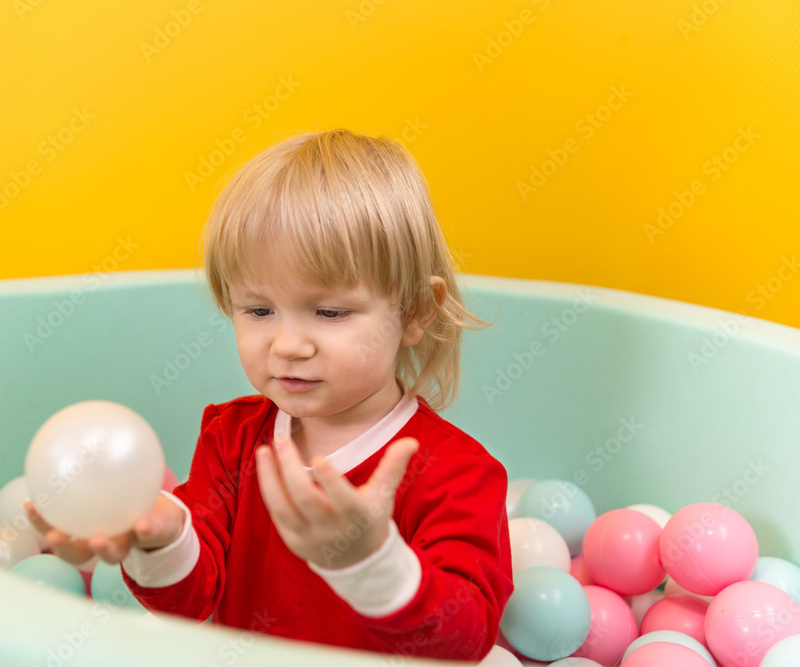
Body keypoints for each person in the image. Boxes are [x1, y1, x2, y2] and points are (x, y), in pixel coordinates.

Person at [26, 129, 513, 661]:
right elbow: (191, 599)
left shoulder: (456, 472)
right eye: (258, 310)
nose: (287, 344)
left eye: (329, 312)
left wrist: (370, 561)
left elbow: (465, 637)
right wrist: (160, 538)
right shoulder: (233, 438)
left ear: (417, 311)